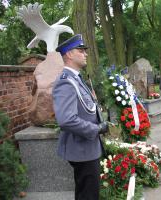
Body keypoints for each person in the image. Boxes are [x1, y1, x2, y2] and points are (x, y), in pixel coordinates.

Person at [52, 34, 108, 200]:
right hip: (82, 150)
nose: (86, 54)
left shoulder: (76, 79)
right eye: (81, 50)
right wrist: (96, 129)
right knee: (88, 195)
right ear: (69, 54)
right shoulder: (66, 81)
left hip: (87, 148)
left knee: (88, 193)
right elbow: (66, 119)